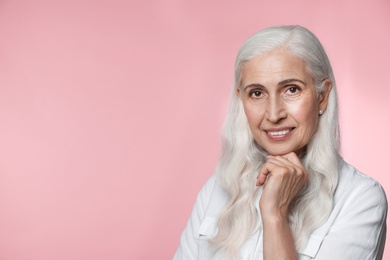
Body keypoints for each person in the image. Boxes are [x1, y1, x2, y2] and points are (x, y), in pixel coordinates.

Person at [173, 25, 387, 260]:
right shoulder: (218, 187)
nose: (274, 114)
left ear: (322, 96)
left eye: (291, 89)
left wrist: (275, 214)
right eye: (257, 93)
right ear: (241, 98)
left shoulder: (360, 198)